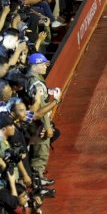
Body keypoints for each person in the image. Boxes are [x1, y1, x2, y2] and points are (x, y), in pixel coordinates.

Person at [25, 53, 62, 187]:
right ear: (35, 66)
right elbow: (41, 110)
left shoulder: (29, 79)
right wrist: (47, 127)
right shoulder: (37, 84)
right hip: (39, 124)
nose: (46, 66)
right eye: (43, 64)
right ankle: (38, 180)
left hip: (32, 123)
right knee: (42, 150)